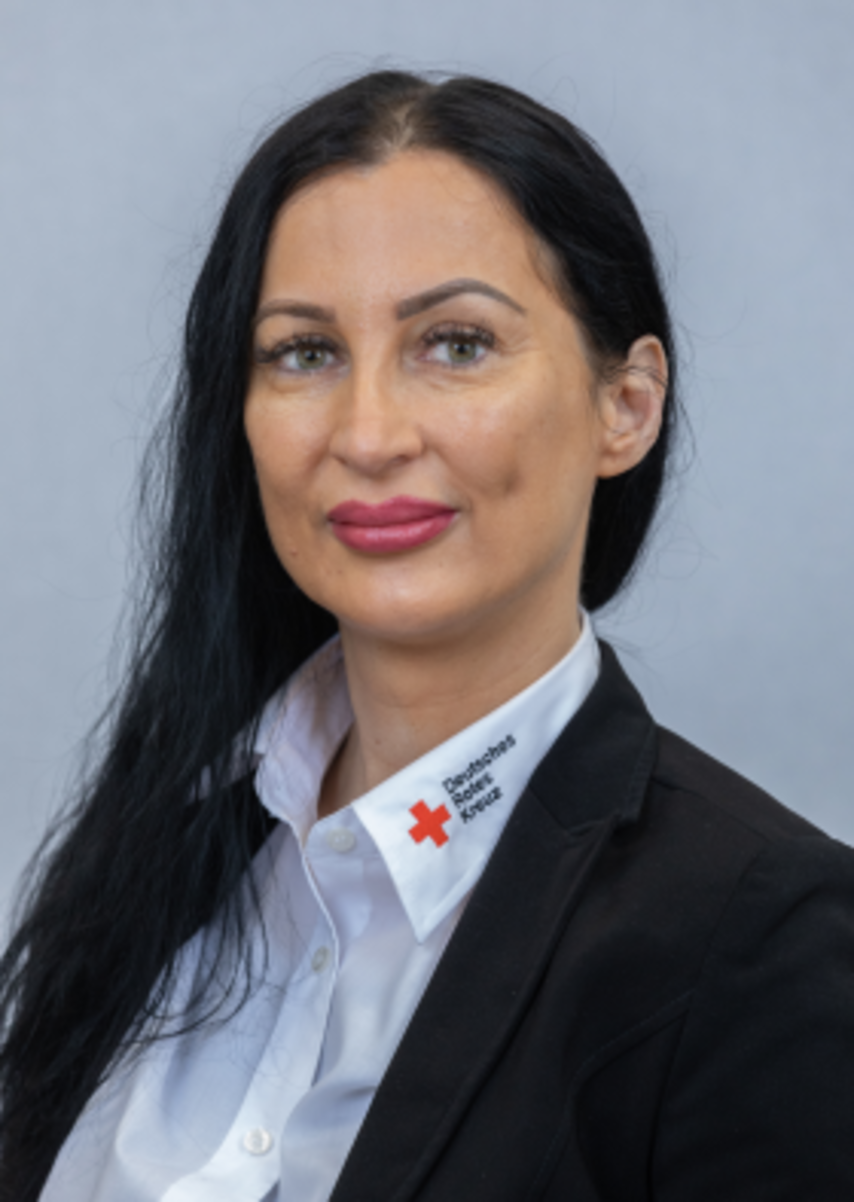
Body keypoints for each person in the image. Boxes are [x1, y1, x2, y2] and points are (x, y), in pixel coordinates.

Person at [1, 69, 853, 1202]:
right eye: (305, 352)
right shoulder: (164, 845)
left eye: (455, 343)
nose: (367, 435)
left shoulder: (764, 932)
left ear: (626, 405)